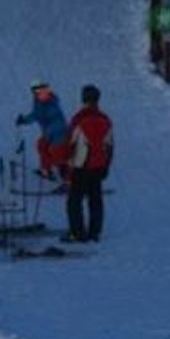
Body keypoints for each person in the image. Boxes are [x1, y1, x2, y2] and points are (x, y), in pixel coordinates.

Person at [63, 83, 114, 243]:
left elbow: (70, 144)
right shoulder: (105, 120)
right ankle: (95, 232)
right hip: (98, 166)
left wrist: (65, 165)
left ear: (83, 99)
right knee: (95, 199)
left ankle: (77, 233)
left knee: (74, 201)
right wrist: (106, 166)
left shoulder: (79, 119)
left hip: (80, 166)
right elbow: (110, 146)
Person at [14, 78, 71, 180]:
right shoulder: (39, 101)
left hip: (59, 135)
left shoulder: (50, 103)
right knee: (41, 144)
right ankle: (46, 170)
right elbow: (36, 114)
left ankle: (68, 180)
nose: (40, 93)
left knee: (58, 154)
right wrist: (24, 120)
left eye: (44, 90)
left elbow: (47, 118)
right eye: (36, 91)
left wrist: (24, 120)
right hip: (50, 134)